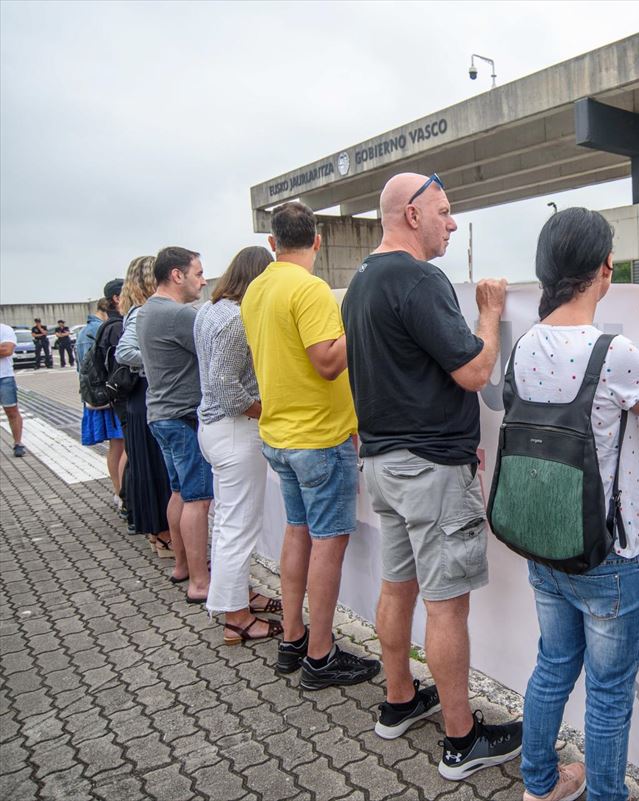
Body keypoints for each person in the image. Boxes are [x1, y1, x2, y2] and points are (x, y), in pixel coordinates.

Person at [341, 172, 521, 778]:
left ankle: (397, 701)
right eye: (443, 212)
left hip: (383, 465)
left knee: (398, 586)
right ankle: (461, 740)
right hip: (432, 470)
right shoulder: (419, 278)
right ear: (410, 215)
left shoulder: (361, 282)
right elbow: (473, 370)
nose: (451, 224)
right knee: (446, 607)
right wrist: (490, 315)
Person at [508, 209, 639, 801]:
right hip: (611, 550)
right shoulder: (615, 351)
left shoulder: (523, 344)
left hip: (543, 538)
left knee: (552, 666)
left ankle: (539, 784)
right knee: (607, 693)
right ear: (604, 269)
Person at [241, 201, 379, 690]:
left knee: (297, 533)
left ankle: (293, 637)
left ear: (272, 243)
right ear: (318, 241)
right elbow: (326, 361)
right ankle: (321, 655)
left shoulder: (257, 289)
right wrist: (363, 325)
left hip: (279, 434)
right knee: (327, 542)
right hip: (319, 436)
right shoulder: (311, 288)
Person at [195, 246, 283, 645]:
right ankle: (236, 618)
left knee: (231, 522)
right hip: (234, 428)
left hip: (215, 429)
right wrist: (264, 411)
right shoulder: (236, 319)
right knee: (237, 526)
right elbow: (227, 386)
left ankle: (237, 596)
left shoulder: (210, 310)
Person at [138, 246, 213, 604]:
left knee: (179, 494)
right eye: (198, 273)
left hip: (161, 414)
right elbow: (217, 352)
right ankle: (201, 582)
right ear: (177, 275)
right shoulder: (178, 315)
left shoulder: (146, 310)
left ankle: (182, 566)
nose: (204, 280)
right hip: (183, 417)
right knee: (198, 500)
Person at [116, 259, 176, 560]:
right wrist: (158, 358)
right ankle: (163, 536)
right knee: (155, 470)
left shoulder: (136, 312)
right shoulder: (143, 312)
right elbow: (124, 352)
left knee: (148, 468)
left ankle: (158, 536)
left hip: (140, 398)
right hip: (145, 394)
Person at [79, 288, 126, 513]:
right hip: (111, 395)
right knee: (120, 446)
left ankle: (118, 492)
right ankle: (121, 493)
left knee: (115, 447)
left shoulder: (89, 330)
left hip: (101, 396)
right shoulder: (106, 328)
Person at [0, 323, 27, 457]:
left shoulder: (5, 329)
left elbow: (7, 350)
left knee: (12, 411)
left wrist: (3, 348)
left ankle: (18, 443)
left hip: (4, 377)